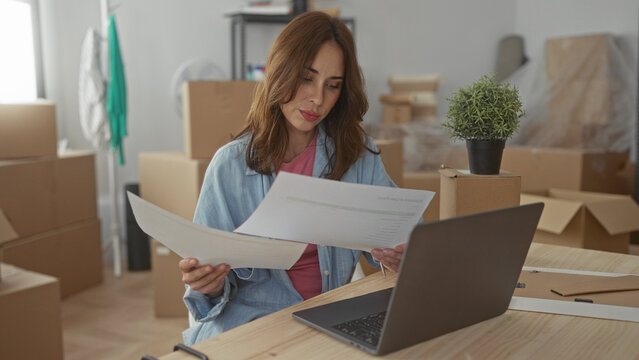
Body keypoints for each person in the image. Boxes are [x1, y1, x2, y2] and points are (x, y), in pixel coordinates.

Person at [179, 11, 408, 345]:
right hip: (250, 327)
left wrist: (400, 253)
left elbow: (396, 238)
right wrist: (208, 284)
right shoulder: (229, 166)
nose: (318, 98)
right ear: (279, 72)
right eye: (306, 78)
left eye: (333, 85)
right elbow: (204, 295)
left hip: (330, 321)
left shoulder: (357, 155)